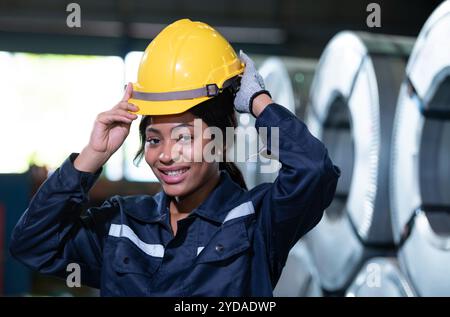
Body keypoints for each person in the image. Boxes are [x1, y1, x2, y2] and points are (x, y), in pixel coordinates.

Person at [10, 19, 340, 296]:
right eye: (154, 139)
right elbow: (32, 244)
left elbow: (313, 169)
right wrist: (94, 154)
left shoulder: (256, 222)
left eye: (184, 136)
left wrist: (259, 103)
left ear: (220, 141)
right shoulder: (122, 226)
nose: (166, 155)